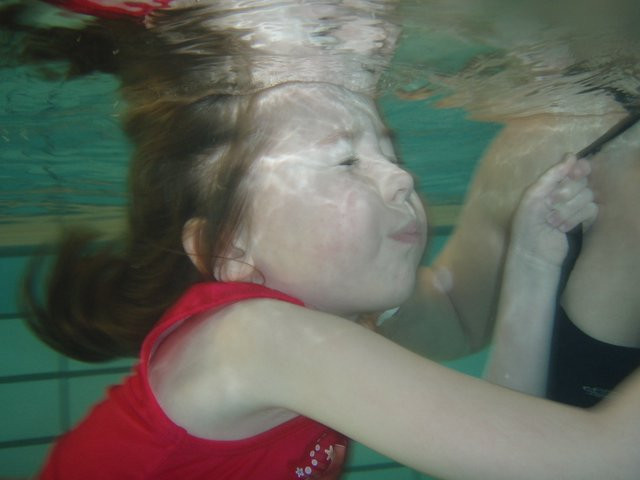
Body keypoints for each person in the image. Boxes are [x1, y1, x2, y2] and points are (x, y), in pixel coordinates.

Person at [15, 1, 640, 479]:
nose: (402, 178)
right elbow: (600, 459)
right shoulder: (255, 340)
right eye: (345, 161)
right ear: (229, 248)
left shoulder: (317, 326)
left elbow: (516, 441)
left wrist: (531, 262)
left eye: (390, 153)